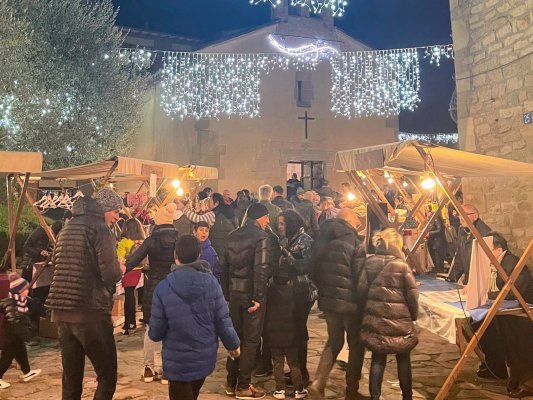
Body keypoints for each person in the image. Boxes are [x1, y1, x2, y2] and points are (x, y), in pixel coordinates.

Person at [46, 188, 123, 400]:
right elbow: (110, 274)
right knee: (107, 376)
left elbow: (56, 265)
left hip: (61, 313)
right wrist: (121, 268)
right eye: (116, 211)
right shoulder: (100, 229)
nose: (117, 217)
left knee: (71, 378)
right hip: (90, 312)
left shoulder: (67, 228)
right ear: (104, 209)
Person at [149, 235, 240, 400]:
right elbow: (223, 319)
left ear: (175, 255)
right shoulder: (212, 283)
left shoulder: (163, 288)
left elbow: (155, 332)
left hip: (177, 361)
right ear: (199, 255)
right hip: (203, 358)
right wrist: (233, 344)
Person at [309, 208, 367, 400]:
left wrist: (323, 288)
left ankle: (318, 383)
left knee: (333, 341)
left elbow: (312, 268)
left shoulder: (322, 238)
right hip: (350, 302)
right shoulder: (353, 240)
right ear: (350, 222)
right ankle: (351, 390)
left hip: (328, 299)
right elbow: (360, 276)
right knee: (356, 344)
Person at [358, 229, 419, 400]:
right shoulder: (402, 265)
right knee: (403, 358)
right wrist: (412, 316)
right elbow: (412, 294)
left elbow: (361, 290)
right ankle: (407, 396)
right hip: (400, 320)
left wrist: (368, 311)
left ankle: (375, 396)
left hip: (376, 320)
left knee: (378, 359)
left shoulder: (369, 263)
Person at [221, 203, 272, 399]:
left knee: (235, 338)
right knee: (251, 341)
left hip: (234, 294)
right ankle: (243, 385)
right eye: (266, 217)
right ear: (259, 217)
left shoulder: (231, 236)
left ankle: (230, 381)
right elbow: (261, 268)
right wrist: (258, 297)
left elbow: (223, 268)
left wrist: (226, 294)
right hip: (251, 296)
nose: (268, 221)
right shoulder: (261, 237)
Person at [126, 203, 179, 384]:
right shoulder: (179, 240)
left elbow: (132, 261)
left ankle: (149, 368)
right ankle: (166, 371)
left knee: (150, 327)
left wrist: (120, 268)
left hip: (154, 287)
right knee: (171, 329)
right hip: (174, 287)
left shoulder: (150, 240)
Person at [474, 231, 533, 384]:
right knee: (477, 322)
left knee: (507, 330)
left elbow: (514, 293)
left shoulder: (512, 263)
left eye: (488, 250)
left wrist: (486, 294)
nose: (485, 255)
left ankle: (521, 380)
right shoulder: (494, 263)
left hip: (521, 312)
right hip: (503, 308)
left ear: (499, 250)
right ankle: (494, 365)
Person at [277, 210, 315, 387]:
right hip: (291, 291)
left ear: (291, 224)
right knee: (294, 330)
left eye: (282, 223)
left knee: (299, 330)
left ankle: (302, 373)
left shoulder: (305, 240)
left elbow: (306, 266)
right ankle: (296, 369)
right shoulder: (289, 239)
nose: (279, 227)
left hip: (303, 291)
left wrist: (287, 256)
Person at [0, 273, 41, 389]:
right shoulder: (13, 303)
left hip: (15, 333)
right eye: (26, 289)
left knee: (21, 351)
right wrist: (24, 334)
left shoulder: (20, 301)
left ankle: (27, 372)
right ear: (19, 291)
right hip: (12, 334)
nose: (27, 291)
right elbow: (15, 321)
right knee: (7, 356)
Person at [447, 204, 492, 283]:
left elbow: (485, 263)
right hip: (468, 280)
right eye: (459, 215)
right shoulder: (462, 230)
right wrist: (452, 278)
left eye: (464, 215)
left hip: (481, 281)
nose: (461, 218)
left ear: (475, 216)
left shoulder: (485, 232)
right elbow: (460, 257)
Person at [117, 218, 146, 335]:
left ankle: (129, 322)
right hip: (141, 271)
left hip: (129, 270)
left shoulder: (124, 242)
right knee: (138, 296)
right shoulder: (143, 241)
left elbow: (119, 258)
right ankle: (138, 319)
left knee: (129, 297)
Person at [426, 209, 447, 273]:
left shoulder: (437, 219)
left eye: (429, 216)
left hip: (438, 243)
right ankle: (438, 272)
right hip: (433, 243)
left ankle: (440, 272)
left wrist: (429, 233)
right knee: (435, 259)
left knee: (438, 260)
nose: (427, 218)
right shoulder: (432, 221)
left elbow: (440, 230)